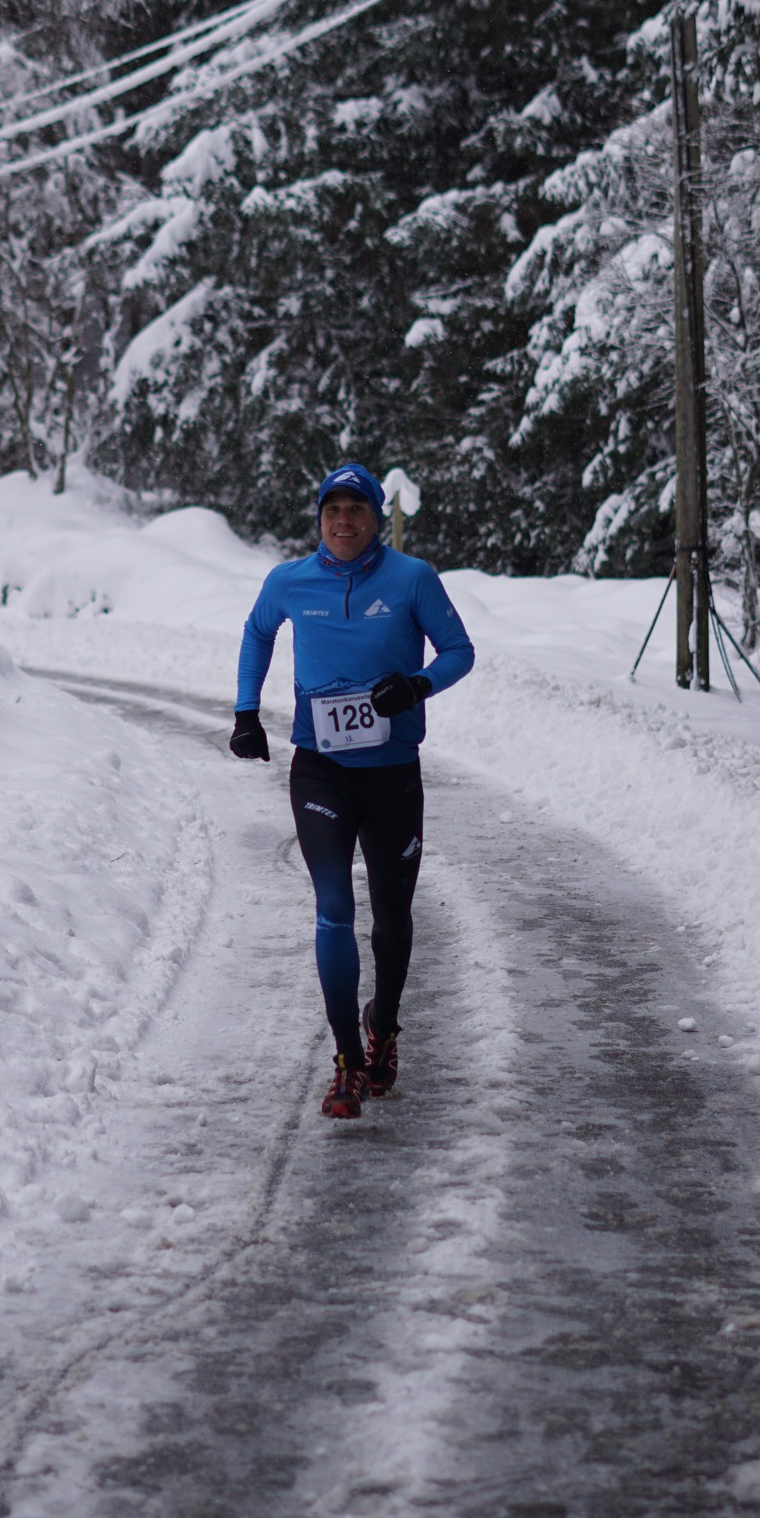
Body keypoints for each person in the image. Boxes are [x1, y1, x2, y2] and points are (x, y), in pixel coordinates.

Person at [230, 463, 475, 1119]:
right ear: (319, 518)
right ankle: (345, 1063)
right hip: (320, 771)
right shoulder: (288, 581)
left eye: (356, 510)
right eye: (332, 510)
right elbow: (257, 632)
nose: (343, 521)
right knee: (334, 907)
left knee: (391, 917)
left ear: (375, 519)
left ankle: (383, 1027)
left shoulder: (411, 579)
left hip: (392, 773)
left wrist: (417, 685)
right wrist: (246, 712)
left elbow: (458, 650)